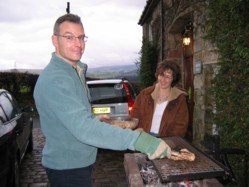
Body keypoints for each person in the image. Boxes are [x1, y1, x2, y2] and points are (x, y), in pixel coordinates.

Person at [33, 13, 172, 187]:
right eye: (69, 37)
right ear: (55, 40)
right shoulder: (56, 79)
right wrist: (140, 140)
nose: (78, 44)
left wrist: (93, 119)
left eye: (81, 37)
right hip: (68, 170)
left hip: (77, 163)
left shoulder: (73, 71)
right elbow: (83, 128)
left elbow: (73, 118)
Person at [131, 60, 189, 138]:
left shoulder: (179, 99)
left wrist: (168, 142)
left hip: (166, 141)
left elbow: (180, 126)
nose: (163, 80)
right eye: (161, 75)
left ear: (173, 79)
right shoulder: (145, 94)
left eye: (167, 77)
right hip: (143, 138)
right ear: (157, 75)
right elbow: (135, 115)